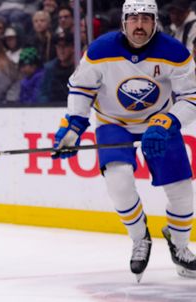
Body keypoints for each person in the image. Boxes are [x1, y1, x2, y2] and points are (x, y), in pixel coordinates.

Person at [52, 0, 196, 281]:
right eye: (133, 18)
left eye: (145, 18)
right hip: (113, 122)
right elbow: (81, 88)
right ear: (123, 21)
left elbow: (191, 96)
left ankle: (179, 245)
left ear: (155, 22)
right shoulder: (100, 50)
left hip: (159, 123)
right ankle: (139, 237)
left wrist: (168, 121)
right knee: (119, 182)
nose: (139, 24)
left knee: (181, 190)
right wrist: (73, 125)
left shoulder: (175, 52)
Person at [38, 31, 76, 104]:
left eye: (65, 46)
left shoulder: (80, 69)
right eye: (58, 46)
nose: (61, 50)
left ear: (73, 48)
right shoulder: (49, 69)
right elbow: (42, 95)